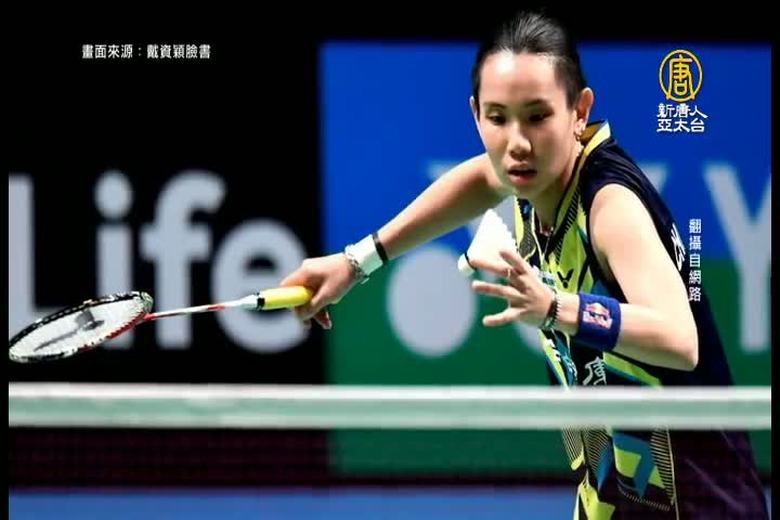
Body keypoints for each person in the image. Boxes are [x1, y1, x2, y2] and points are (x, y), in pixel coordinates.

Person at [280, 10, 767, 519]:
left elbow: (680, 340)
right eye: (498, 118)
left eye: (537, 117)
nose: (517, 142)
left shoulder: (609, 207)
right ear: (476, 115)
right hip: (613, 495)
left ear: (579, 111)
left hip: (700, 502)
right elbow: (478, 179)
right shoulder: (531, 178)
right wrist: (356, 262)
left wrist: (556, 307)